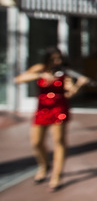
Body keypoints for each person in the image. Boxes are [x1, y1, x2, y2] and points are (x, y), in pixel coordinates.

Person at [14, 46, 90, 192]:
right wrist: (39, 75)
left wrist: (79, 84)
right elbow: (18, 79)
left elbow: (70, 93)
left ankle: (57, 175)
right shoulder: (40, 68)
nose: (57, 61)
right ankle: (44, 165)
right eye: (54, 59)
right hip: (42, 109)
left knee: (59, 141)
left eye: (59, 59)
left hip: (59, 109)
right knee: (36, 142)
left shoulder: (64, 73)